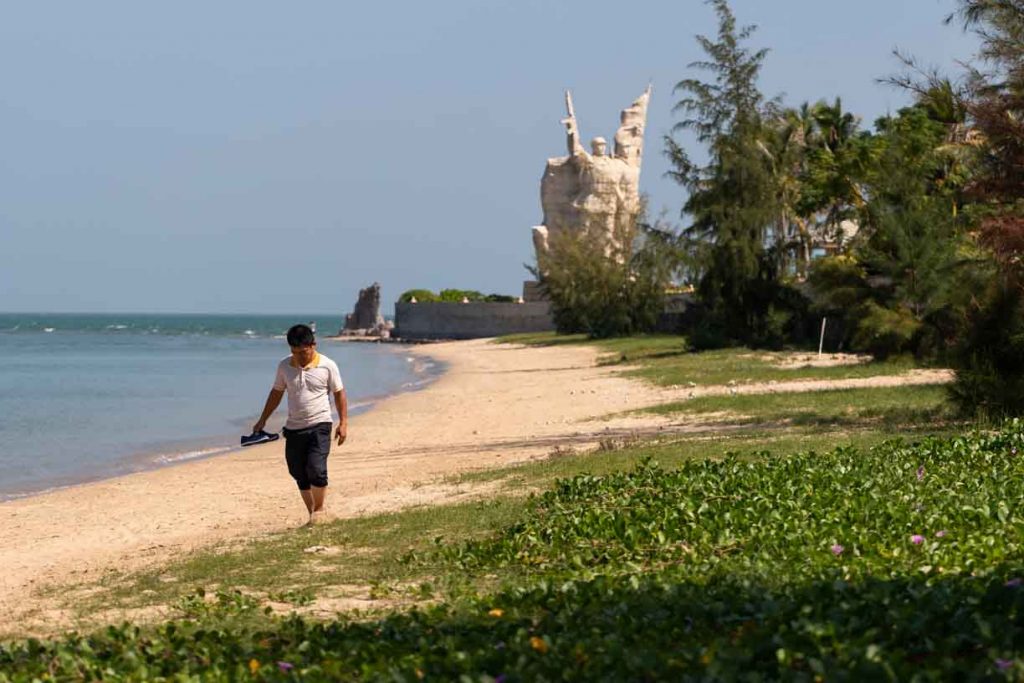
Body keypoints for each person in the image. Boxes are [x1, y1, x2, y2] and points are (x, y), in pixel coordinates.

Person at [252, 323, 347, 525]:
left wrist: (343, 422)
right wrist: (262, 419)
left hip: (320, 423)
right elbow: (276, 393)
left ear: (313, 345)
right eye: (294, 352)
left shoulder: (328, 365)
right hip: (294, 428)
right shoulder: (284, 366)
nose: (299, 357)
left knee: (316, 469)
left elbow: (339, 393)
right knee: (298, 472)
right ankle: (312, 512)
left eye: (303, 352)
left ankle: (319, 511)